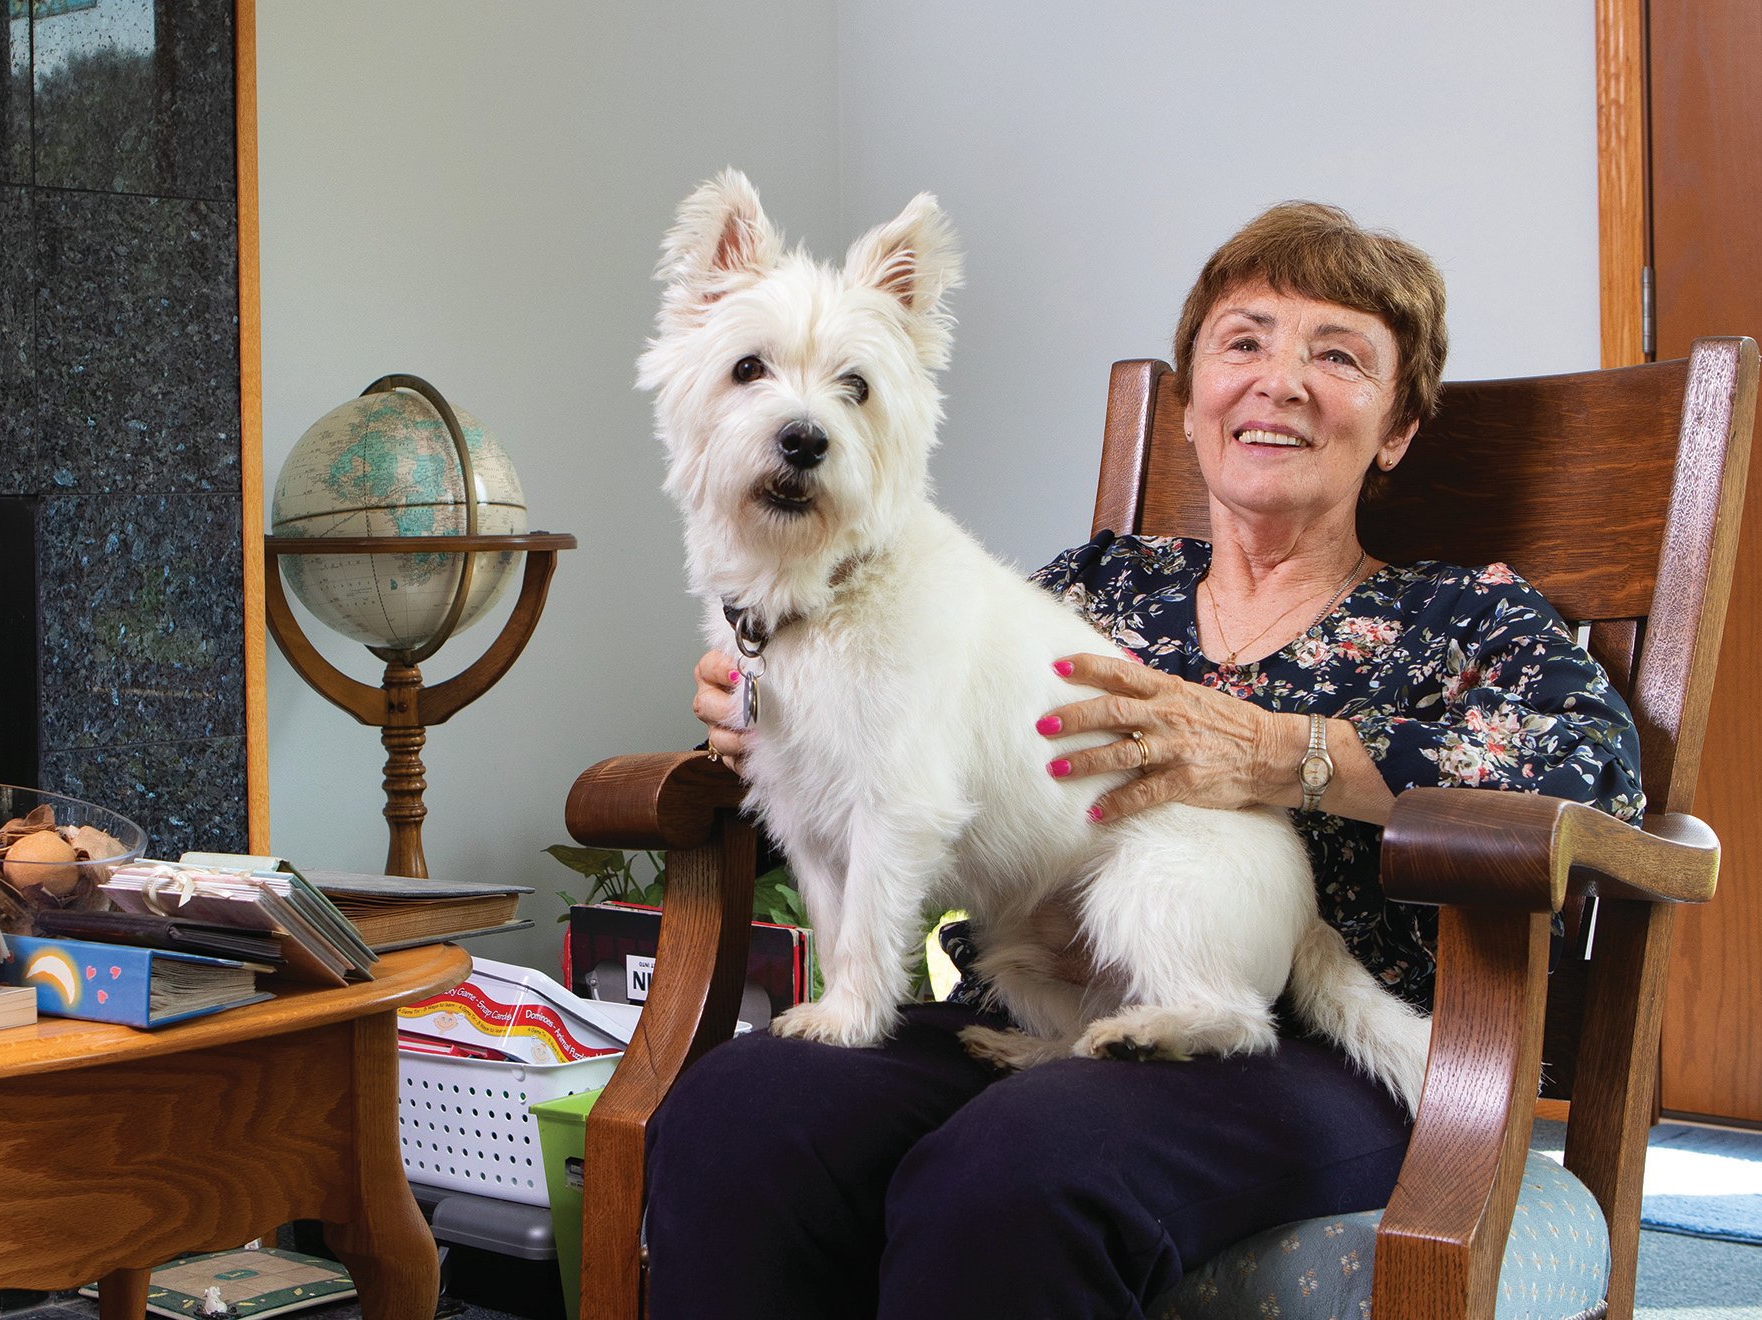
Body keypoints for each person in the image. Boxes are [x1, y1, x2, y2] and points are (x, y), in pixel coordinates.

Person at [645, 201, 1645, 1319]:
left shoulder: (1462, 617)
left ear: (1398, 427)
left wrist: (1282, 753)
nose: (1280, 380)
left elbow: (1587, 775)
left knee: (1019, 1174)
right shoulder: (1096, 586)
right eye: (1244, 341)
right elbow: (906, 744)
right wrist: (763, 692)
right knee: (744, 1112)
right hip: (1034, 992)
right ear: (1190, 401)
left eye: (1338, 355)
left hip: (1305, 1049)